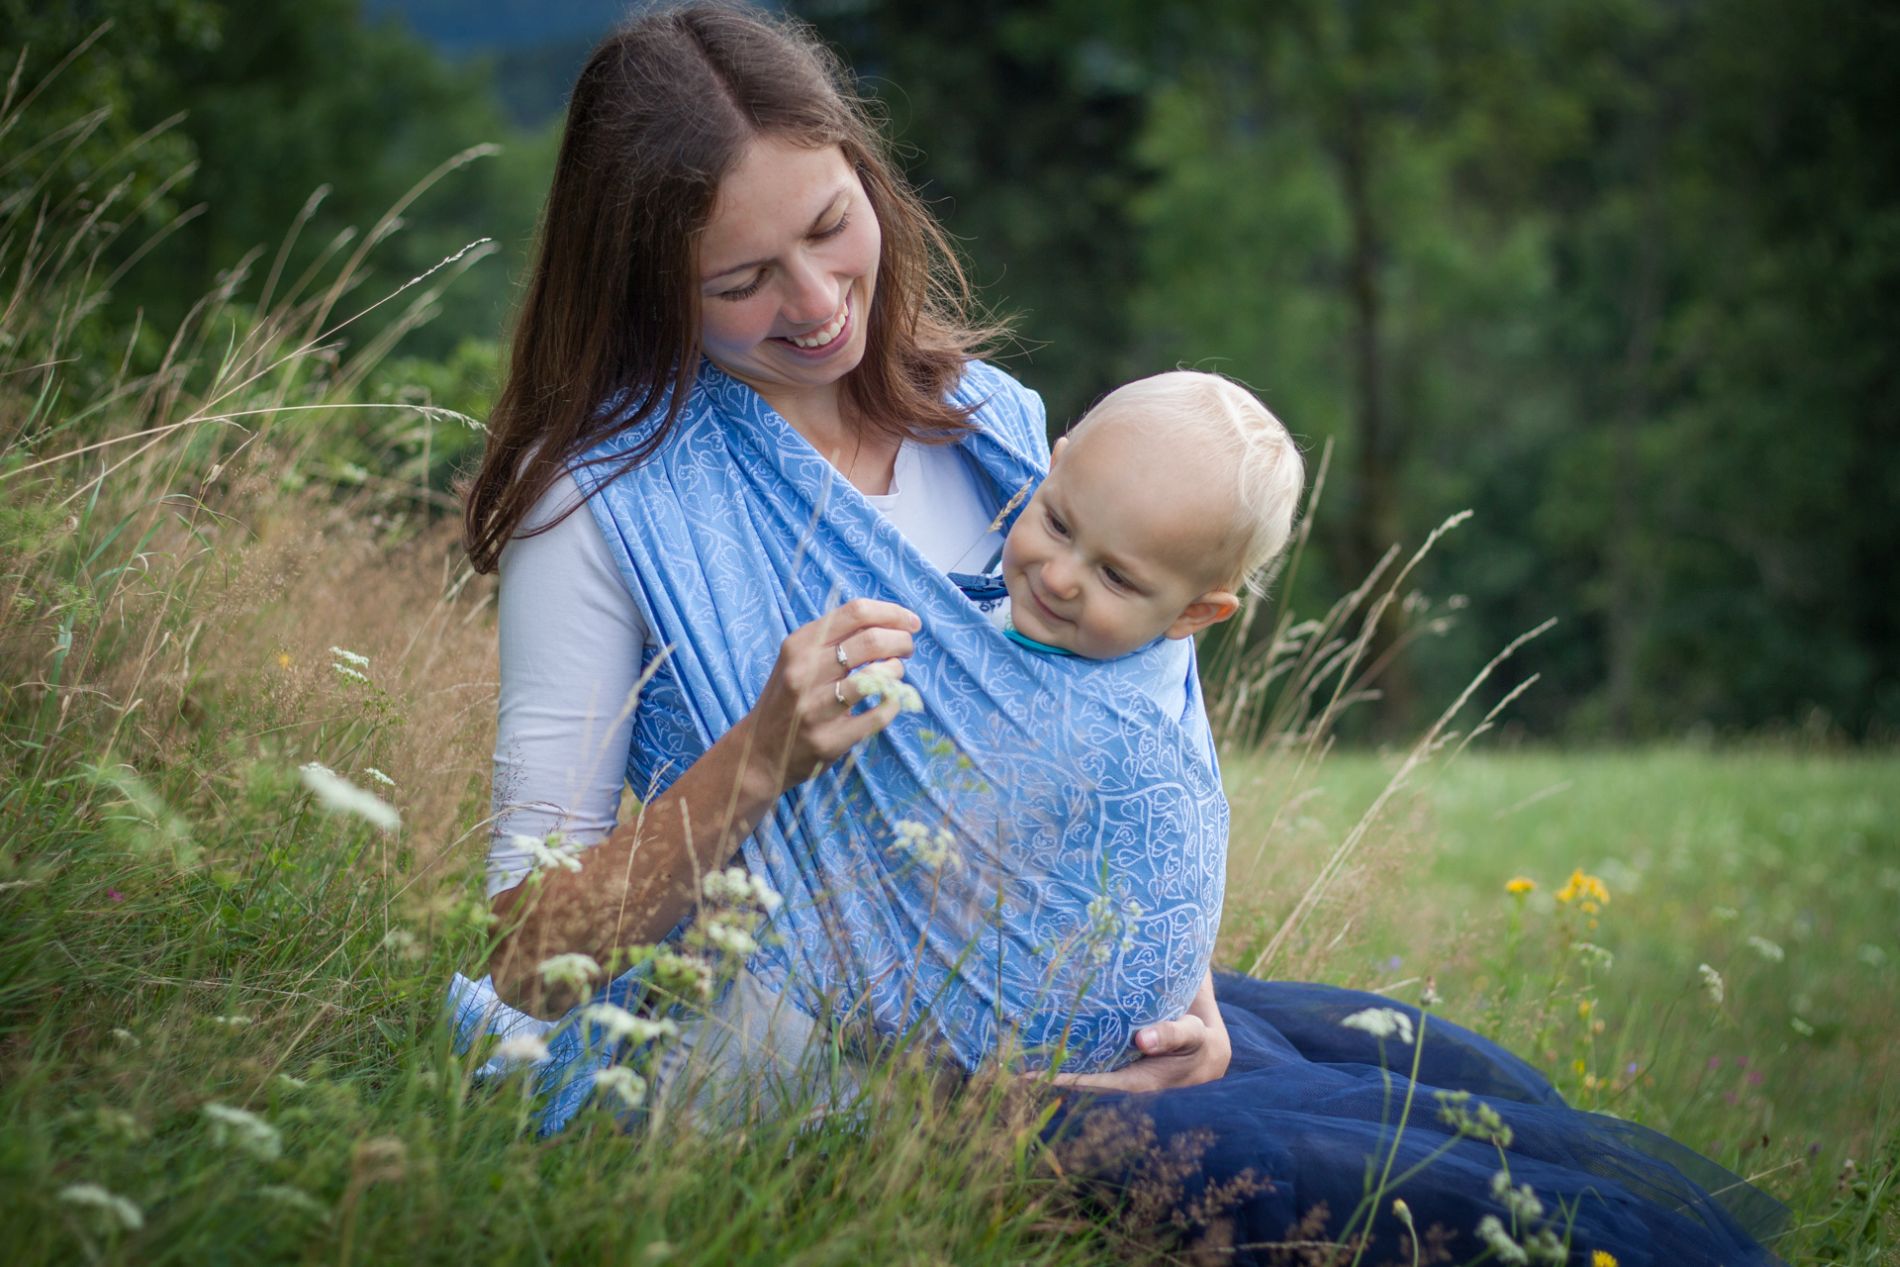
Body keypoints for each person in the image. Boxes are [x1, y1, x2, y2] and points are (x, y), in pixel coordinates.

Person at [455, 5, 1786, 1262]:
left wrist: (1177, 997)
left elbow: (1127, 760)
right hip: (820, 1066)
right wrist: (756, 758)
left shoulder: (988, 429)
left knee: (1438, 1083)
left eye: (830, 225)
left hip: (1069, 1031)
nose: (814, 301)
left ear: (868, 177)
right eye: (741, 279)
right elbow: (531, 960)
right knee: (1394, 1203)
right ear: (643, 281)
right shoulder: (601, 504)